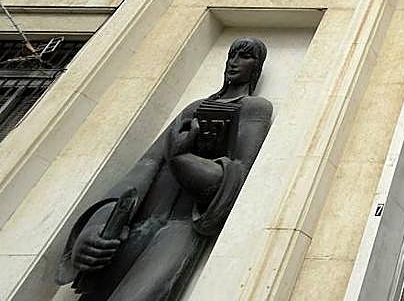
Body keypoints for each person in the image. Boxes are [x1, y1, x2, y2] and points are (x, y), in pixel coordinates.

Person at [56, 38, 272, 301]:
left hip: (182, 226)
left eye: (245, 57)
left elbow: (234, 177)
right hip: (141, 219)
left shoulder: (254, 109)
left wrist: (182, 157)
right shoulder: (193, 108)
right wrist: (96, 226)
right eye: (232, 55)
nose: (234, 62)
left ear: (257, 67)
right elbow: (146, 166)